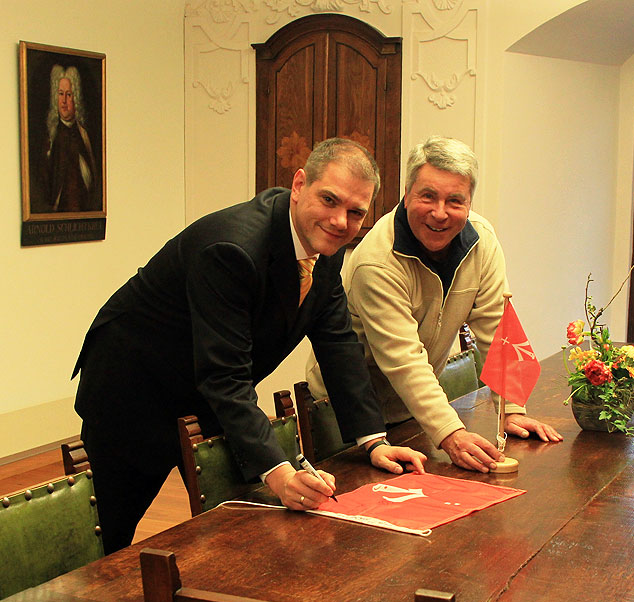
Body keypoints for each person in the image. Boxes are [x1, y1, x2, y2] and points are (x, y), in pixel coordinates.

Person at [73, 137, 426, 558]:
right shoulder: (232, 248)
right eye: (329, 200)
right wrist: (279, 474)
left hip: (207, 391)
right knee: (106, 545)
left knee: (237, 530)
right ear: (299, 185)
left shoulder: (326, 249)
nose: (339, 220)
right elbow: (225, 377)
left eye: (355, 212)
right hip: (134, 389)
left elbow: (337, 343)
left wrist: (374, 440)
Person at [306, 136, 562, 473]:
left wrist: (513, 408)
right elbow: (405, 361)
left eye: (455, 200)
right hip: (346, 419)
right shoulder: (377, 262)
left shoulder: (482, 242)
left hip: (414, 413)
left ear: (469, 203)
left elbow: (498, 330)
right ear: (407, 193)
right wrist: (452, 434)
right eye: (428, 196)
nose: (440, 213)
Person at [43, 64, 100, 212]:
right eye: (61, 94)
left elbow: (91, 178)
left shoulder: (83, 135)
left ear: (76, 98)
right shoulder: (51, 137)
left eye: (69, 95)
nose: (64, 101)